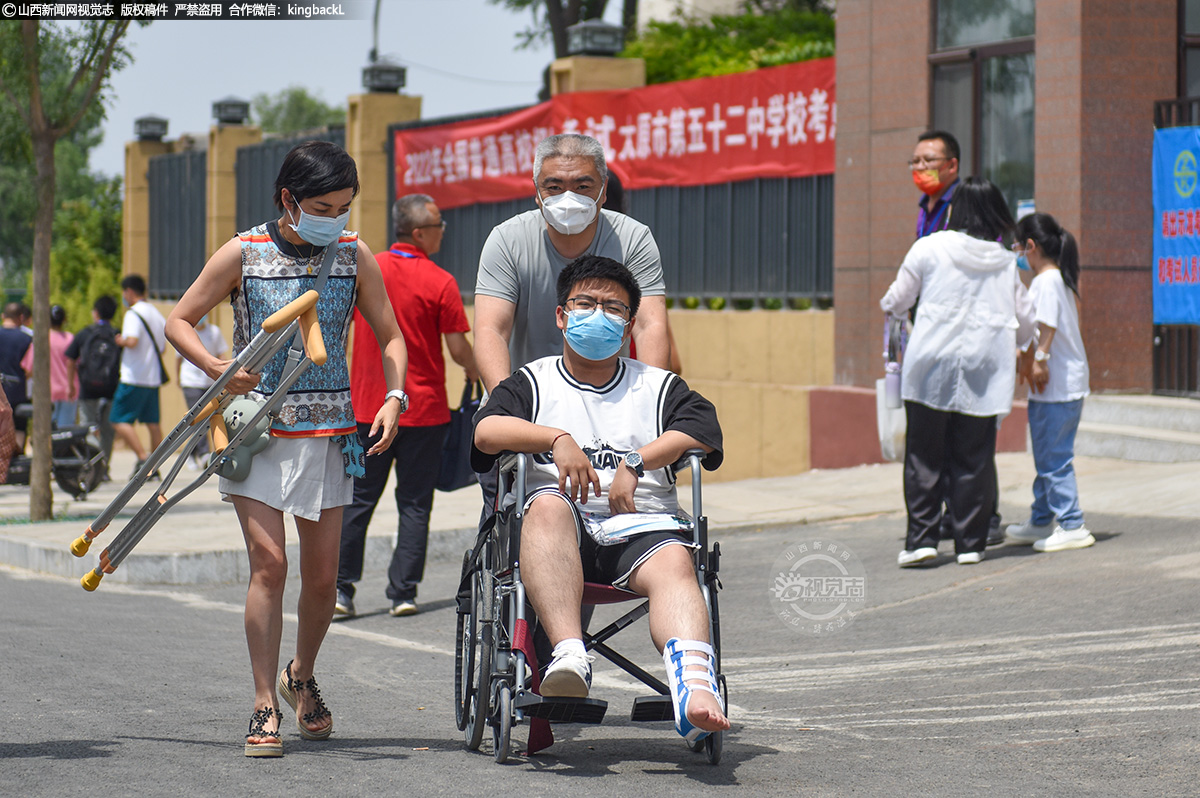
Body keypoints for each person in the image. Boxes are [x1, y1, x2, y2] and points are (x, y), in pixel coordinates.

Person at [165, 140, 407, 758]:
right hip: (255, 434)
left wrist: (394, 397)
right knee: (270, 564)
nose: (336, 217)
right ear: (287, 200)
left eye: (345, 206)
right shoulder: (243, 252)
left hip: (330, 435)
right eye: (323, 205)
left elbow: (389, 334)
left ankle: (301, 673)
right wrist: (218, 366)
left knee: (323, 578)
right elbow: (178, 320)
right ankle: (262, 700)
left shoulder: (354, 256)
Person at [472, 255, 729, 744]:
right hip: (556, 536)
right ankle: (570, 654)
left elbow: (703, 431)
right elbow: (486, 431)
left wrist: (637, 461)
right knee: (545, 502)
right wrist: (554, 438)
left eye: (613, 308)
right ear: (561, 315)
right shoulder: (533, 381)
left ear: (630, 324)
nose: (598, 314)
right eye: (585, 303)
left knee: (677, 559)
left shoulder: (657, 385)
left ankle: (694, 687)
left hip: (640, 529)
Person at [474, 133, 672, 520]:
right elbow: (490, 330)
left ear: (602, 190)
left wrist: (651, 413)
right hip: (529, 412)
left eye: (583, 186)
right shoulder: (508, 239)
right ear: (536, 192)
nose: (570, 197)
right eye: (555, 186)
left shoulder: (632, 238)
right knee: (509, 531)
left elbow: (649, 325)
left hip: (613, 413)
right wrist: (508, 412)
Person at [880, 177, 1037, 567]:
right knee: (974, 459)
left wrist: (901, 316)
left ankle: (922, 539)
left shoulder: (929, 248)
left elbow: (896, 300)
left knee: (924, 457)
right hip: (985, 373)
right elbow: (1028, 320)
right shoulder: (1004, 262)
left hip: (930, 365)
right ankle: (971, 544)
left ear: (955, 210)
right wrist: (1024, 347)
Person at [336, 194, 478, 620]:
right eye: (439, 225)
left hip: (365, 409)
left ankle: (341, 592)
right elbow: (457, 350)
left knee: (358, 499)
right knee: (415, 503)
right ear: (419, 233)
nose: (443, 232)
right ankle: (403, 593)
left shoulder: (365, 267)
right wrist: (479, 374)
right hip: (424, 412)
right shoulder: (440, 281)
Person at [1005, 212, 1095, 552]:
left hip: (1056, 386)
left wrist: (1039, 360)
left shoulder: (1046, 281)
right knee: (1048, 454)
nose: (1017, 254)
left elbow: (1047, 326)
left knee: (1053, 457)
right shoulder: (1057, 279)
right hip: (1065, 385)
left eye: (1018, 247)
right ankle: (1041, 518)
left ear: (1031, 246)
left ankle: (1072, 523)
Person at [111, 274, 168, 477]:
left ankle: (143, 458)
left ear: (129, 292)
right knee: (152, 423)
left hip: (133, 376)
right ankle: (155, 465)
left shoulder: (132, 314)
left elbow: (132, 340)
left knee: (118, 419)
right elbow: (163, 347)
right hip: (151, 377)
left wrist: (121, 341)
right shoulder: (155, 313)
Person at [65, 296, 120, 480]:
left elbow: (70, 359)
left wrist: (71, 384)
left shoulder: (84, 333)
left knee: (87, 426)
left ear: (95, 312)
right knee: (108, 430)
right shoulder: (117, 334)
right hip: (111, 387)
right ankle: (103, 467)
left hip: (88, 387)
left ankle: (93, 465)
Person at [175, 313, 228, 468]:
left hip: (210, 383)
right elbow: (178, 359)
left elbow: (221, 354)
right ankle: (204, 453)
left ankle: (191, 452)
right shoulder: (187, 332)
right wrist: (178, 377)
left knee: (207, 417)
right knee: (197, 416)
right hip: (190, 381)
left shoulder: (214, 332)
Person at [21, 304, 76, 428]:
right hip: (69, 389)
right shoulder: (71, 338)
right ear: (64, 320)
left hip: (46, 391)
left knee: (46, 429)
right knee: (66, 430)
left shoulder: (42, 339)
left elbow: (30, 368)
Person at [911, 130, 960, 239]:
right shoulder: (924, 203)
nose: (920, 167)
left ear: (951, 166)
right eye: (915, 161)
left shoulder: (967, 201)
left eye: (929, 160)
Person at [0, 302, 31, 450]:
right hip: (18, 392)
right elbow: (30, 369)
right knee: (19, 427)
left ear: (3, 316)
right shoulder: (27, 339)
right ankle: (17, 458)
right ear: (21, 317)